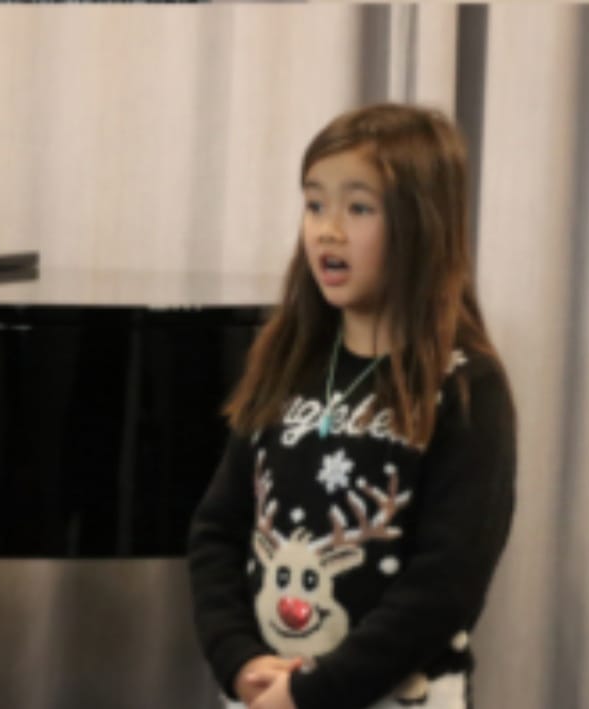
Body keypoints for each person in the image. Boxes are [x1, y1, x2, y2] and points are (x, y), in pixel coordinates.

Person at [187, 102, 517, 709]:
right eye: (315, 205)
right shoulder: (287, 361)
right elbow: (217, 531)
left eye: (358, 208)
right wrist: (239, 659)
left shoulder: (466, 386)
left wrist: (315, 692)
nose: (328, 231)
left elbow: (447, 583)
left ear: (421, 225)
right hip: (269, 694)